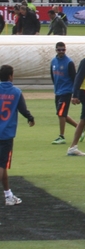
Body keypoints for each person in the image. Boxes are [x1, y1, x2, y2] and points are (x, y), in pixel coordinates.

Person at [0, 65, 35, 206]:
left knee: (2, 166)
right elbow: (23, 109)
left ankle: (8, 195)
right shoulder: (16, 92)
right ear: (10, 76)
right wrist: (30, 118)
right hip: (6, 134)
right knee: (2, 165)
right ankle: (8, 196)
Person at [50, 42, 78, 146]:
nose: (61, 52)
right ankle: (79, 127)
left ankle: (61, 136)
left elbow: (74, 78)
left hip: (66, 91)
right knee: (61, 113)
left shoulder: (69, 62)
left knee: (61, 113)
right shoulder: (53, 61)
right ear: (56, 50)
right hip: (58, 91)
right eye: (59, 50)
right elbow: (53, 76)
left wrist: (75, 94)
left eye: (63, 50)